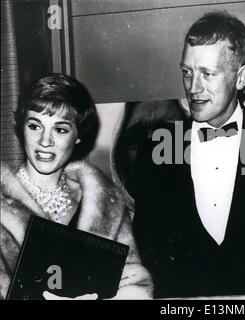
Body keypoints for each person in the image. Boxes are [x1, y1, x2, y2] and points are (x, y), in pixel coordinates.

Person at [132, 11, 245, 298]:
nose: (193, 88)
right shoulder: (157, 145)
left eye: (208, 74)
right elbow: (148, 241)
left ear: (241, 77)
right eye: (187, 72)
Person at [0, 73, 153, 299]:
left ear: (78, 136)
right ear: (22, 128)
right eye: (35, 126)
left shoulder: (105, 202)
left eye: (60, 129)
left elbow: (134, 281)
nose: (44, 141)